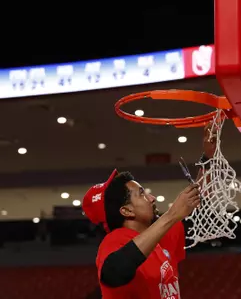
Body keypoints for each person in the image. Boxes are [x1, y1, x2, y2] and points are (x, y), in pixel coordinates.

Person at [82, 123, 216, 299]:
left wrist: (209, 156)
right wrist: (170, 215)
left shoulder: (163, 232)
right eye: (142, 194)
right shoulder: (115, 241)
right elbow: (113, 273)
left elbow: (196, 201)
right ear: (127, 211)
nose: (152, 198)